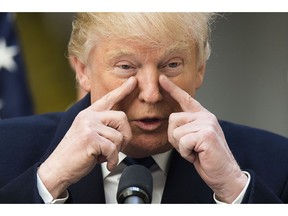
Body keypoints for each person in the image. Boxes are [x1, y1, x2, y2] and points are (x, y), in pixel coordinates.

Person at [0, 12, 288, 204]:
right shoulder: (7, 150)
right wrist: (48, 183)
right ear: (83, 70)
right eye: (126, 67)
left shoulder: (275, 163)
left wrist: (234, 191)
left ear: (200, 69)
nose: (151, 93)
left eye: (172, 65)